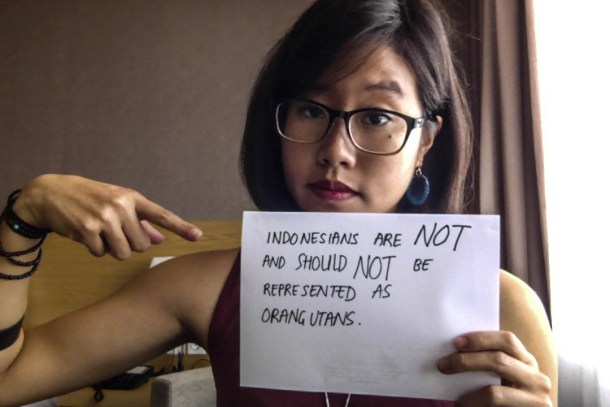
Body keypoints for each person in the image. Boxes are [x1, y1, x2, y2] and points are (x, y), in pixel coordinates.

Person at [0, 0, 557, 406]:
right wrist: (22, 221)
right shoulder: (208, 288)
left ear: (426, 141)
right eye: (312, 110)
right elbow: (9, 379)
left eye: (377, 116)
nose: (336, 151)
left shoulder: (502, 307)